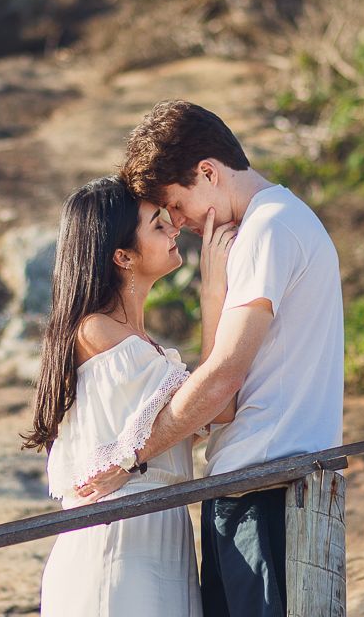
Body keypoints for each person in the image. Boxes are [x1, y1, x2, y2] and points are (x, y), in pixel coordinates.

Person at [76, 101, 345, 617]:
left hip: (268, 488)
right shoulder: (274, 225)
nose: (177, 222)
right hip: (251, 485)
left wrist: (127, 458)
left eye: (175, 205)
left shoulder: (270, 228)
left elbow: (223, 376)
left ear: (208, 172)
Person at [22, 175, 237, 617]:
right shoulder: (96, 331)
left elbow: (209, 413)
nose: (174, 228)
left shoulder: (138, 345)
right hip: (118, 547)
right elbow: (217, 402)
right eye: (158, 226)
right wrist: (213, 294)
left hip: (157, 539)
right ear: (122, 255)